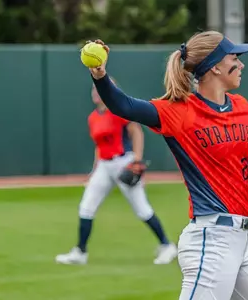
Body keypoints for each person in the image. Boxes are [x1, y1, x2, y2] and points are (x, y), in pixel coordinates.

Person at [85, 31, 248, 300]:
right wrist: (100, 75)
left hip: (241, 242)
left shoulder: (240, 106)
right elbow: (124, 106)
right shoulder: (178, 111)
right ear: (215, 66)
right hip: (210, 242)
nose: (242, 64)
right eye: (235, 58)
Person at [55, 79, 178, 265]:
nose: (95, 93)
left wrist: (137, 159)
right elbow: (99, 146)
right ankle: (80, 252)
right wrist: (94, 169)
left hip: (123, 162)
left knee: (142, 209)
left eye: (99, 89)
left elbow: (136, 132)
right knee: (87, 206)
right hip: (104, 165)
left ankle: (167, 246)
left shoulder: (117, 112)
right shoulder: (93, 117)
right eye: (93, 90)